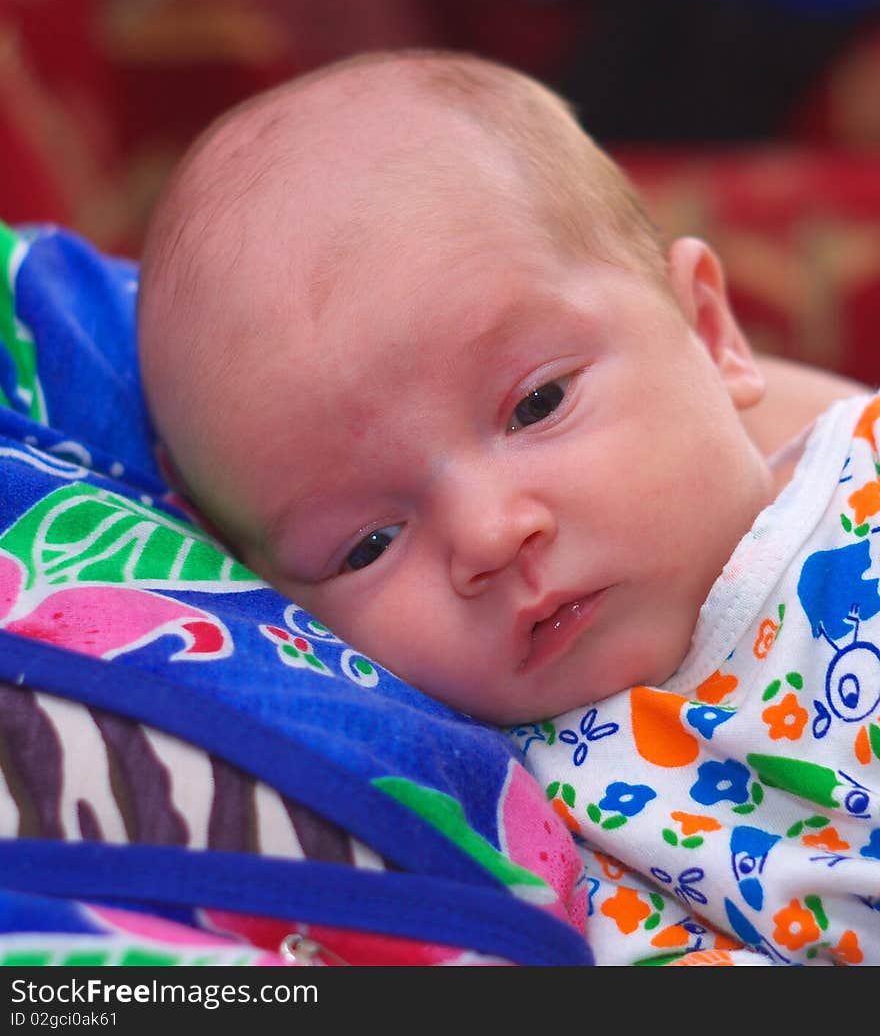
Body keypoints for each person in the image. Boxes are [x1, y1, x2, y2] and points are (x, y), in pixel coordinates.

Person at [137, 48, 879, 965]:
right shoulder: (518, 816)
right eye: (368, 543)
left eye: (537, 404)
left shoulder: (862, 493)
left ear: (711, 333)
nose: (490, 534)